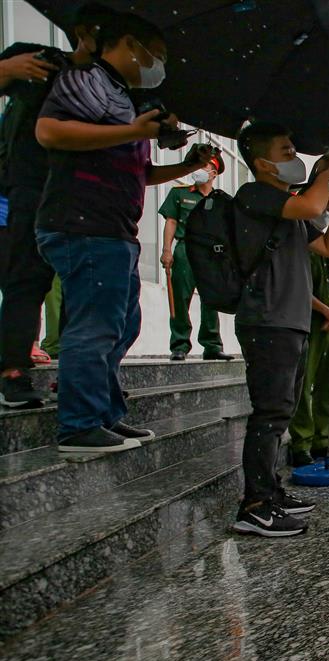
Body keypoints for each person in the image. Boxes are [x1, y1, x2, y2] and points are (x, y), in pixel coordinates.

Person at [34, 12, 217, 452]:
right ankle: (78, 426)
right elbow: (49, 130)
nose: (159, 66)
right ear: (131, 44)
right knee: (95, 326)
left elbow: (141, 172)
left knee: (122, 326)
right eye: (158, 56)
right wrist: (134, 129)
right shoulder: (87, 79)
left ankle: (104, 415)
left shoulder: (123, 98)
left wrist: (188, 165)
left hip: (114, 229)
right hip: (83, 222)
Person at [230, 120, 329, 537]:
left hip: (290, 321)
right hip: (267, 319)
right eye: (286, 152)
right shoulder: (255, 196)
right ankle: (255, 505)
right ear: (263, 163)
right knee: (269, 413)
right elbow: (306, 206)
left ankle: (271, 491)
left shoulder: (289, 207)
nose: (294, 159)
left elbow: (328, 247)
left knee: (280, 412)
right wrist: (323, 175)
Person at [0, 2, 117, 408]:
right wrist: (8, 71)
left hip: (80, 194)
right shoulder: (38, 60)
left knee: (81, 287)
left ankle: (75, 377)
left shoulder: (104, 82)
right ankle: (13, 372)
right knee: (25, 279)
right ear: (84, 33)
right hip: (30, 187)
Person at [159, 155, 233, 362]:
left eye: (205, 167)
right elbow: (171, 221)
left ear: (214, 173)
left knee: (212, 299)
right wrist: (167, 250)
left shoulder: (221, 200)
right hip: (185, 250)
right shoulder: (179, 193)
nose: (199, 170)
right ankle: (180, 345)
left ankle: (212, 345)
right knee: (181, 298)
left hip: (212, 254)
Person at [287, 248, 329, 467]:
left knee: (328, 386)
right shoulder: (303, 249)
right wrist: (327, 312)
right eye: (325, 210)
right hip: (308, 324)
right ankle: (301, 444)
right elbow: (298, 288)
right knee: (303, 384)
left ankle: (323, 442)